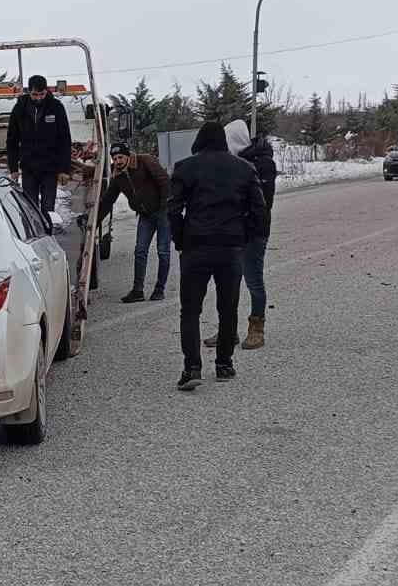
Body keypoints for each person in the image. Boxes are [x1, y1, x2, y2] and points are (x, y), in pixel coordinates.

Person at [167, 120, 270, 392]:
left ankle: (192, 367)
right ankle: (224, 363)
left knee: (190, 309)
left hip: (195, 247)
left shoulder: (185, 167)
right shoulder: (244, 169)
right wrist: (243, 237)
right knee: (228, 307)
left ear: (199, 140)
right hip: (230, 247)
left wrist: (180, 239)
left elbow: (173, 210)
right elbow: (259, 211)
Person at [206, 123, 278, 351]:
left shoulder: (263, 164)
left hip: (254, 232)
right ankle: (228, 329)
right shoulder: (232, 163)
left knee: (253, 280)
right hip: (232, 231)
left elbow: (262, 203)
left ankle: (256, 328)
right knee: (227, 282)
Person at [97, 140, 171, 302]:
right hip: (145, 216)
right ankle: (138, 291)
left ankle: (160, 289)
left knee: (163, 251)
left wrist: (166, 206)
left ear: (128, 155)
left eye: (120, 157)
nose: (117, 162)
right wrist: (95, 223)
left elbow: (164, 181)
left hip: (162, 212)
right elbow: (108, 200)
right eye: (114, 159)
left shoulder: (146, 161)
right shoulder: (118, 176)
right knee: (140, 251)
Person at [7, 75, 72, 213]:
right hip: (28, 166)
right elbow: (12, 140)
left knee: (48, 208)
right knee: (30, 208)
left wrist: (64, 169)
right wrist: (13, 167)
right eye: (34, 95)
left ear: (46, 91)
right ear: (29, 92)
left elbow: (65, 140)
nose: (38, 98)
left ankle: (48, 231)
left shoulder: (56, 107)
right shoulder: (20, 108)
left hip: (49, 167)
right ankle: (33, 233)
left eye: (41, 94)